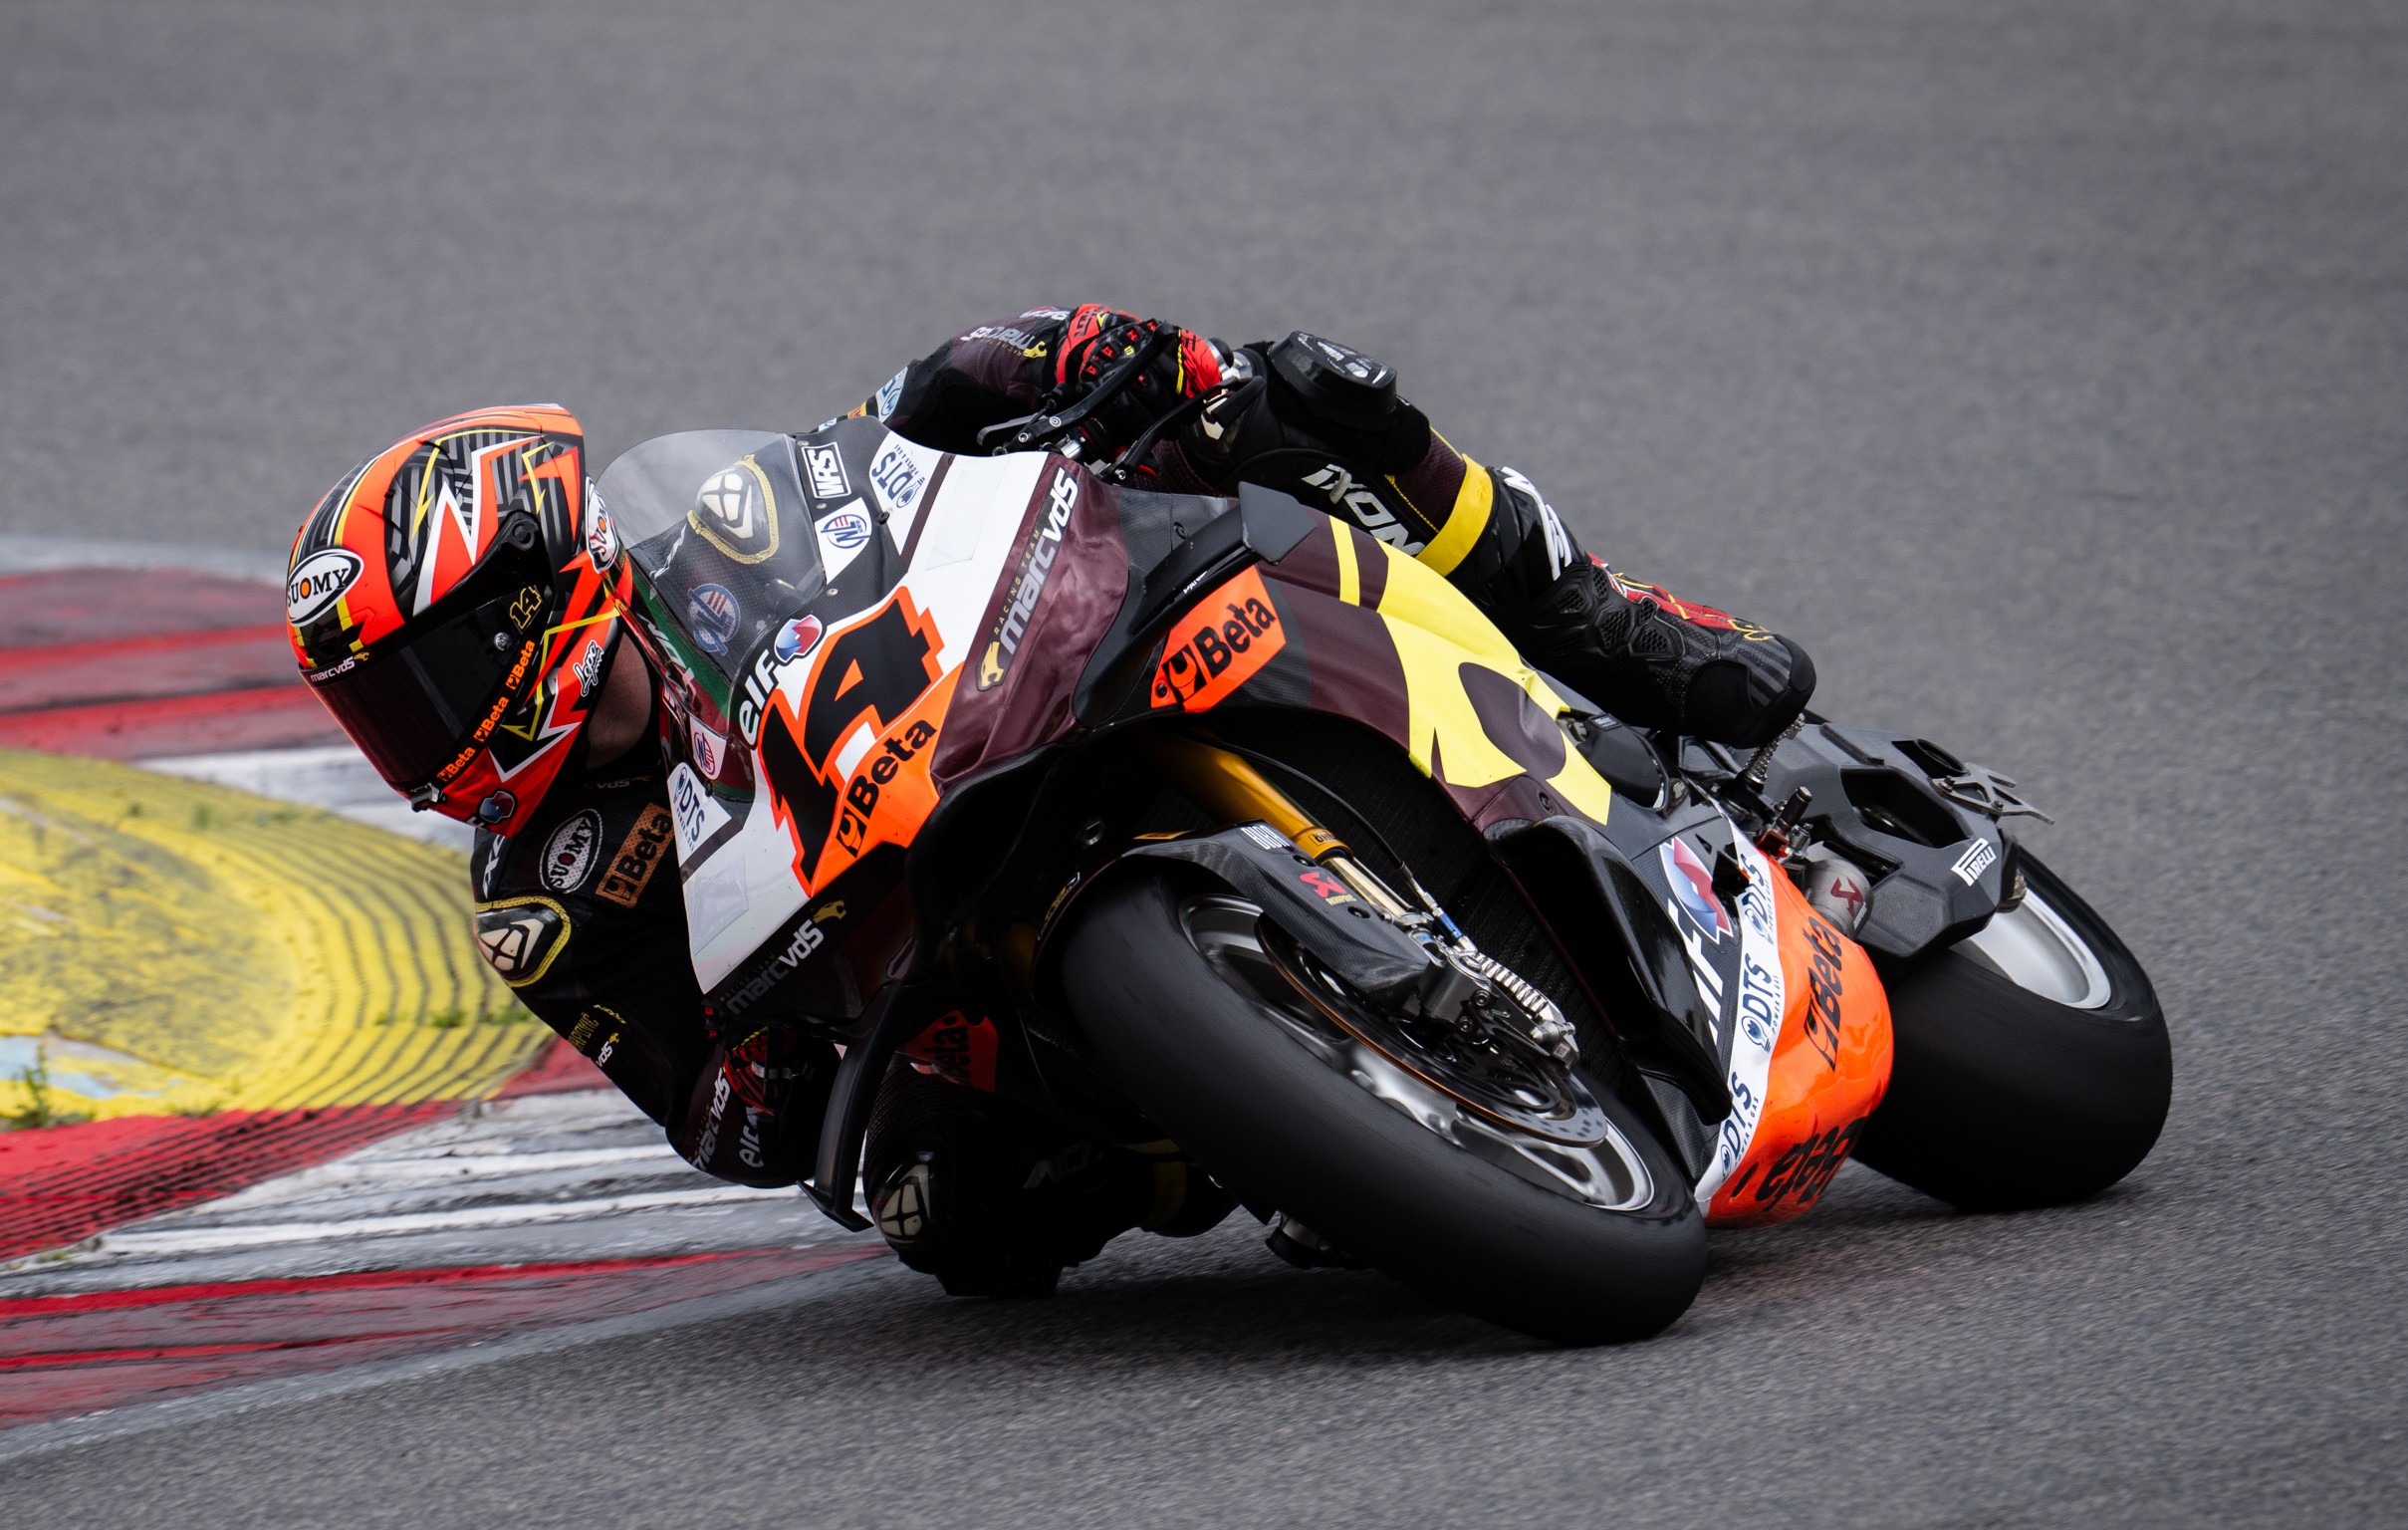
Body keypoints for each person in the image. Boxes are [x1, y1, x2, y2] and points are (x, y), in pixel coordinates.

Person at [285, 305, 1816, 1296]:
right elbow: (716, 1124)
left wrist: (1084, 361)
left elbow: (917, 410)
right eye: (378, 710)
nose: (417, 737)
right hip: (919, 974)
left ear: (534, 586)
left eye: (426, 681)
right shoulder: (542, 898)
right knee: (943, 1217)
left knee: (1300, 399)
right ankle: (1303, 1122)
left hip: (1029, 696)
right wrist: (762, 1081)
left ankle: (1620, 634)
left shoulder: (720, 535)